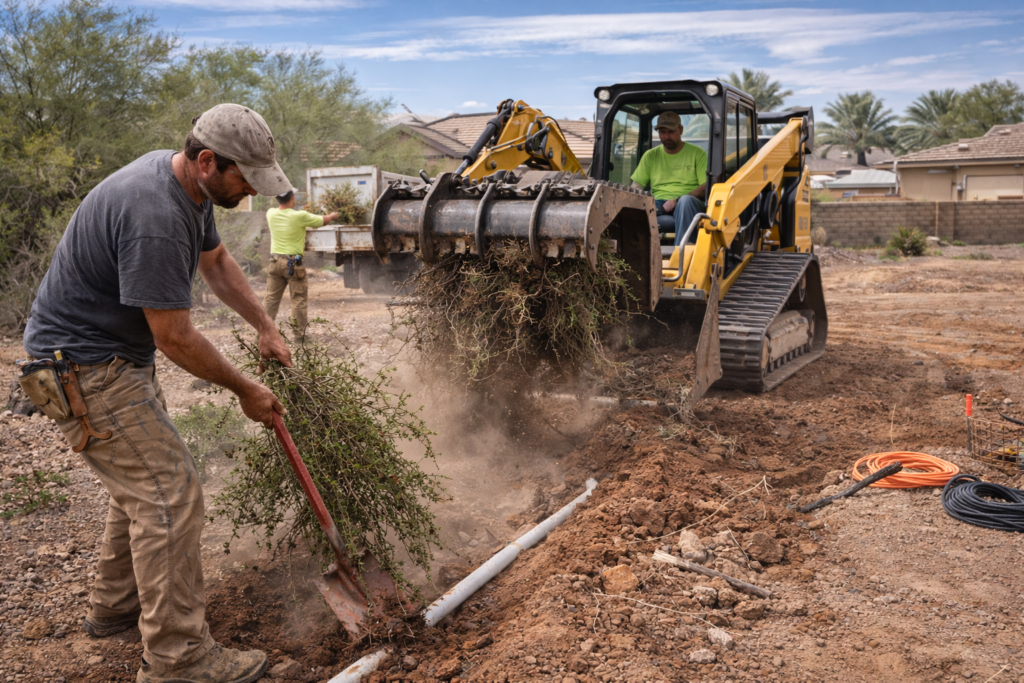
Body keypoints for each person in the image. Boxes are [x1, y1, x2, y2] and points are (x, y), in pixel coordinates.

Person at [22, 103, 294, 683]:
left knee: (143, 484)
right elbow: (173, 337)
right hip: (85, 369)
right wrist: (246, 389)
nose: (248, 192)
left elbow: (216, 262)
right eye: (243, 178)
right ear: (205, 161)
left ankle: (116, 609)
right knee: (170, 495)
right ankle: (179, 661)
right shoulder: (155, 214)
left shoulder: (185, 189)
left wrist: (264, 326)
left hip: (104, 358)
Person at [262, 189, 339, 339]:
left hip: (274, 262)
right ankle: (299, 337)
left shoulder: (270, 213)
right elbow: (323, 220)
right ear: (292, 197)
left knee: (270, 300)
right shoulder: (299, 216)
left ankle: (262, 335)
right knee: (298, 300)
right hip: (292, 264)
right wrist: (333, 216)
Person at [630, 111, 708, 245]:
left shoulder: (698, 154)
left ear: (681, 130)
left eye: (671, 131)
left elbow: (705, 188)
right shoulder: (650, 156)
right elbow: (636, 186)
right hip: (660, 202)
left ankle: (682, 254)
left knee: (685, 201)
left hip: (689, 204)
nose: (666, 136)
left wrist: (676, 200)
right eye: (662, 132)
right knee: (638, 207)